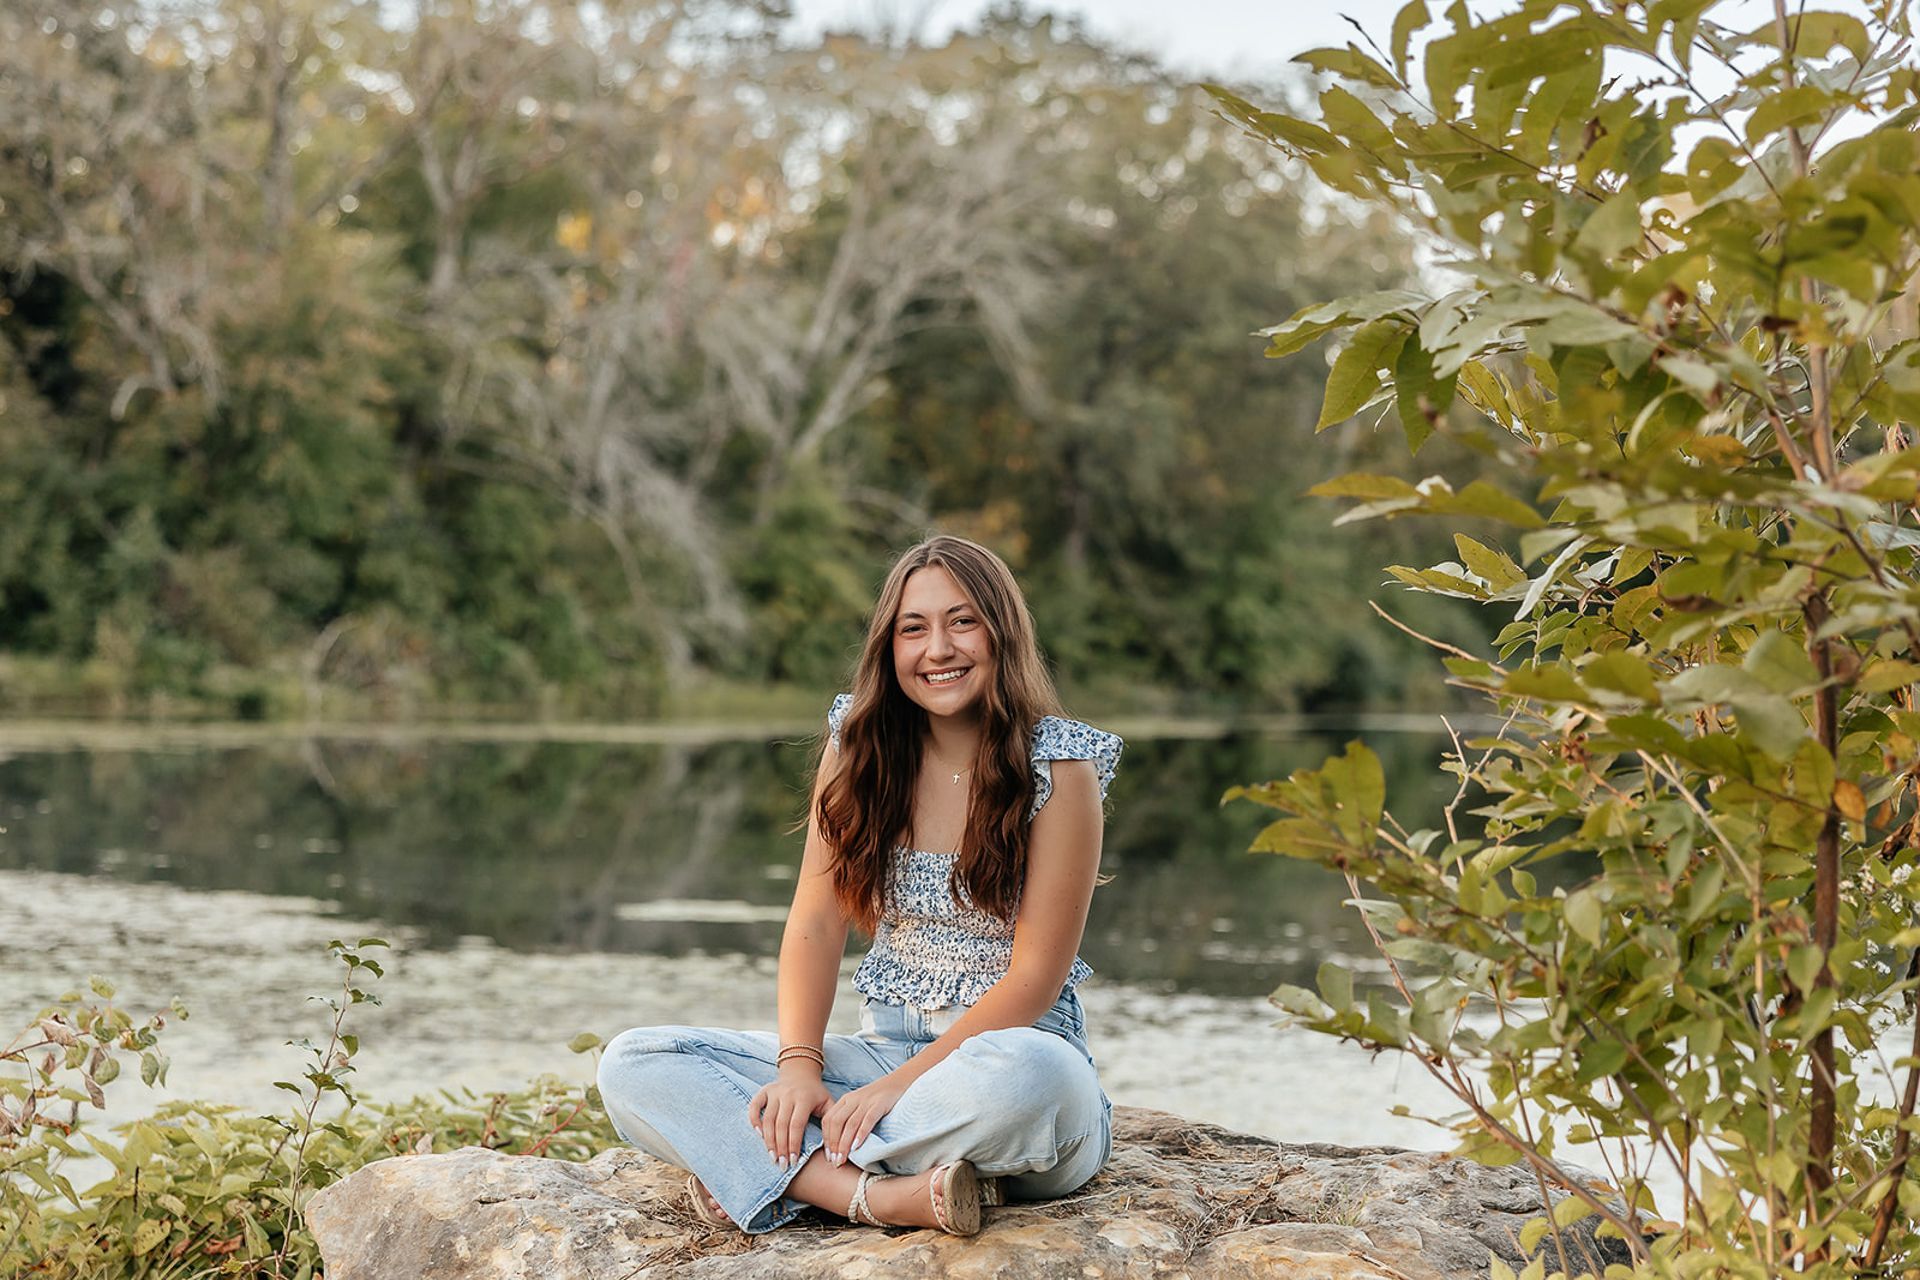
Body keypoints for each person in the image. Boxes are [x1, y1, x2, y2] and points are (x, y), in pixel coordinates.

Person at [597, 535, 1123, 1236]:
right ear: (890, 647)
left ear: (1003, 633)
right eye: (914, 628)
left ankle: (782, 1177)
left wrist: (891, 1091)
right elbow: (814, 924)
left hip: (1004, 1062)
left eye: (962, 621)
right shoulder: (859, 748)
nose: (938, 648)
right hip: (879, 1054)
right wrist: (799, 1070)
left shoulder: (1061, 768)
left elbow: (1033, 980)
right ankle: (877, 1196)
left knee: (1031, 1080)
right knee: (635, 1063)